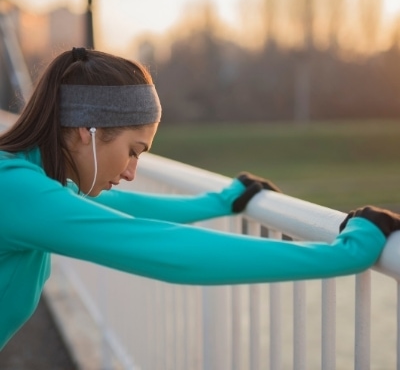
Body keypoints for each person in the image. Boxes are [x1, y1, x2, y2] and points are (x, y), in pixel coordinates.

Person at [0, 47, 396, 350]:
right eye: (133, 151)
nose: (131, 172)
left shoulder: (28, 183)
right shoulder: (16, 190)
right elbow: (163, 248)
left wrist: (219, 201)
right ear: (86, 131)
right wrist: (345, 254)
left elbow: (120, 210)